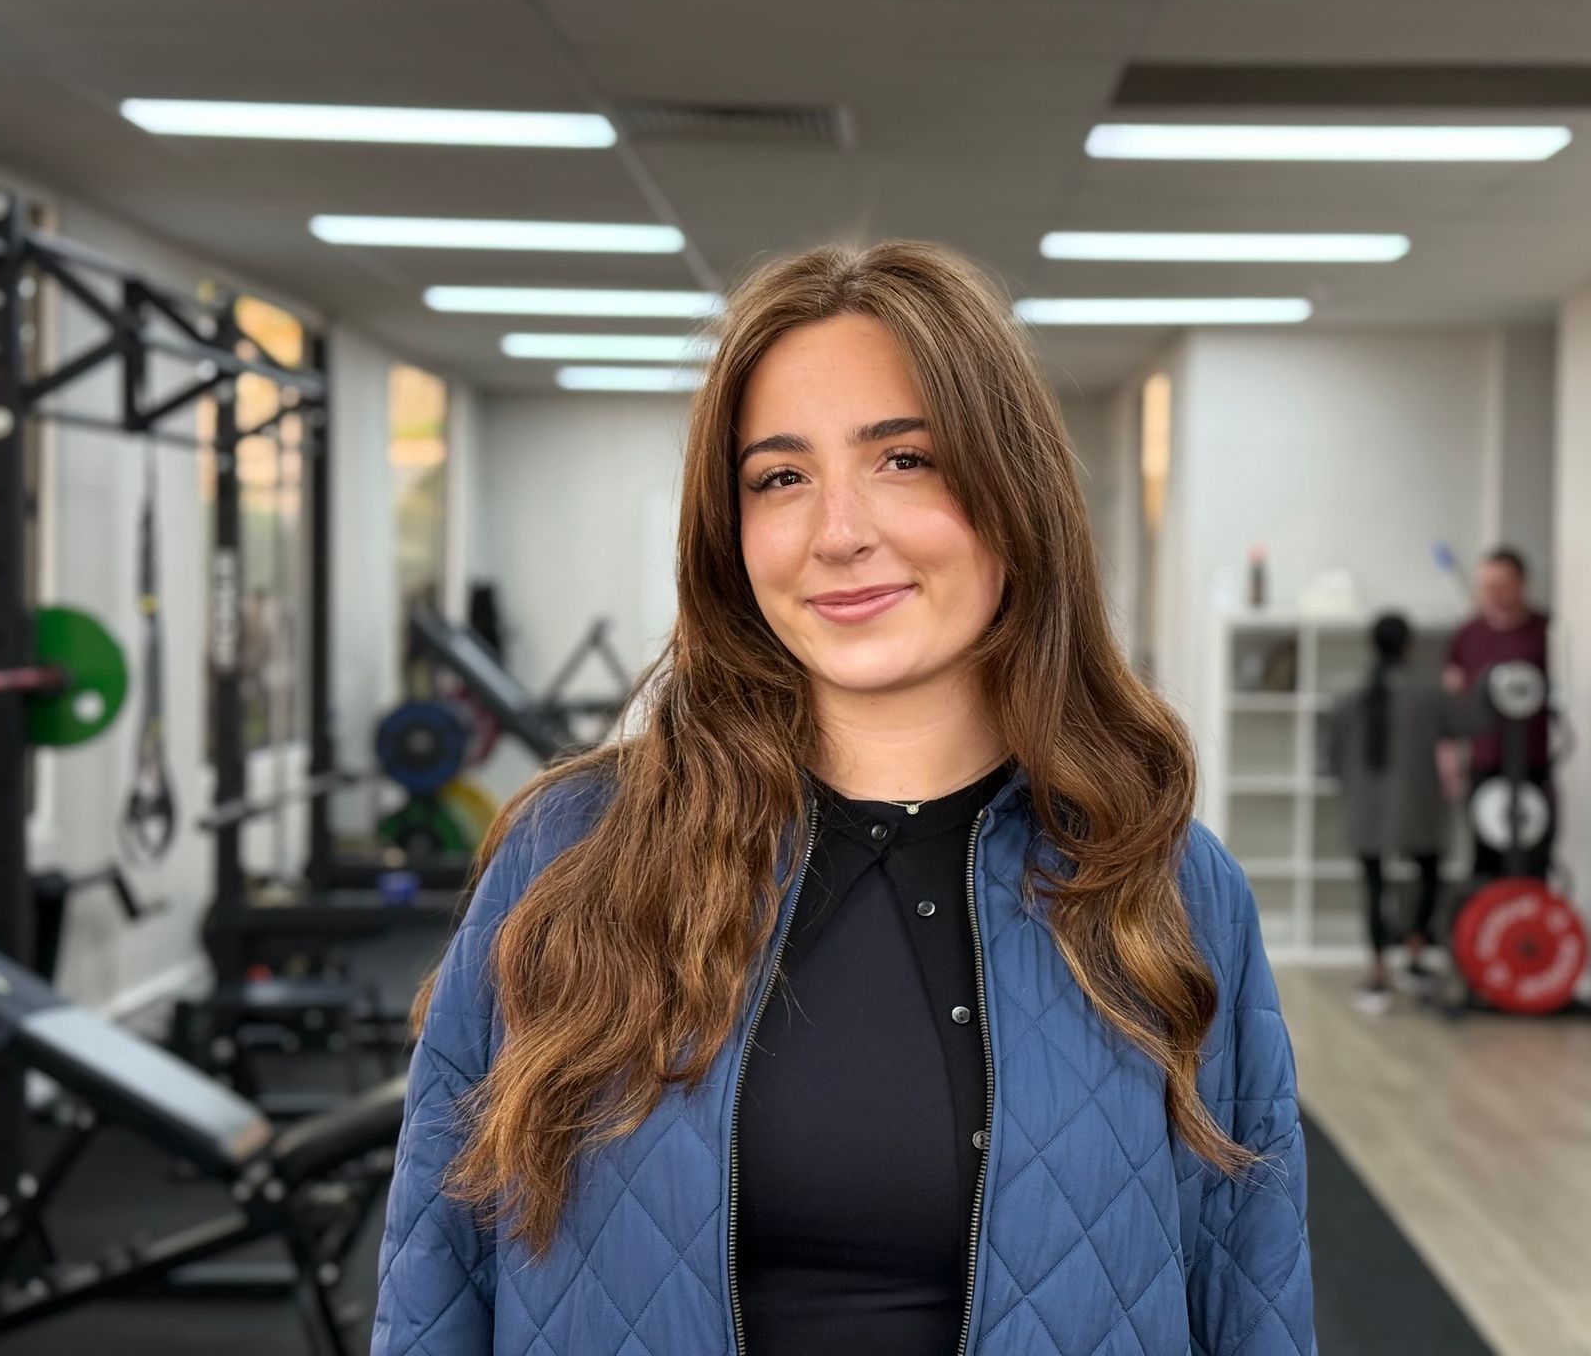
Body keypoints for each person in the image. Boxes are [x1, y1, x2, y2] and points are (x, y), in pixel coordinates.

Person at [372, 243, 1314, 1356]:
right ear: (732, 533)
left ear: (1015, 495)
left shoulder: (1162, 882)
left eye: (904, 460)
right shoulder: (573, 856)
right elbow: (437, 1272)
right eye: (780, 476)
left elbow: (1249, 1292)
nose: (837, 532)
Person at [1328, 613, 1482, 1013]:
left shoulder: (1349, 696)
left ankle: (1378, 972)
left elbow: (1331, 756)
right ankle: (1414, 955)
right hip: (1419, 805)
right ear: (1409, 647)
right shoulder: (1429, 693)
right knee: (1429, 876)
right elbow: (1473, 722)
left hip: (1365, 808)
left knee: (1375, 888)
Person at [1442, 546, 1553, 878]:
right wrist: (1448, 753)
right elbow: (1453, 696)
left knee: (1532, 853)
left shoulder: (1545, 630)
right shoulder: (1468, 634)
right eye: (1486, 586)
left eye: (1501, 585)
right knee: (1485, 855)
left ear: (1522, 584)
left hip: (1533, 761)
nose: (1492, 593)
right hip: (1484, 762)